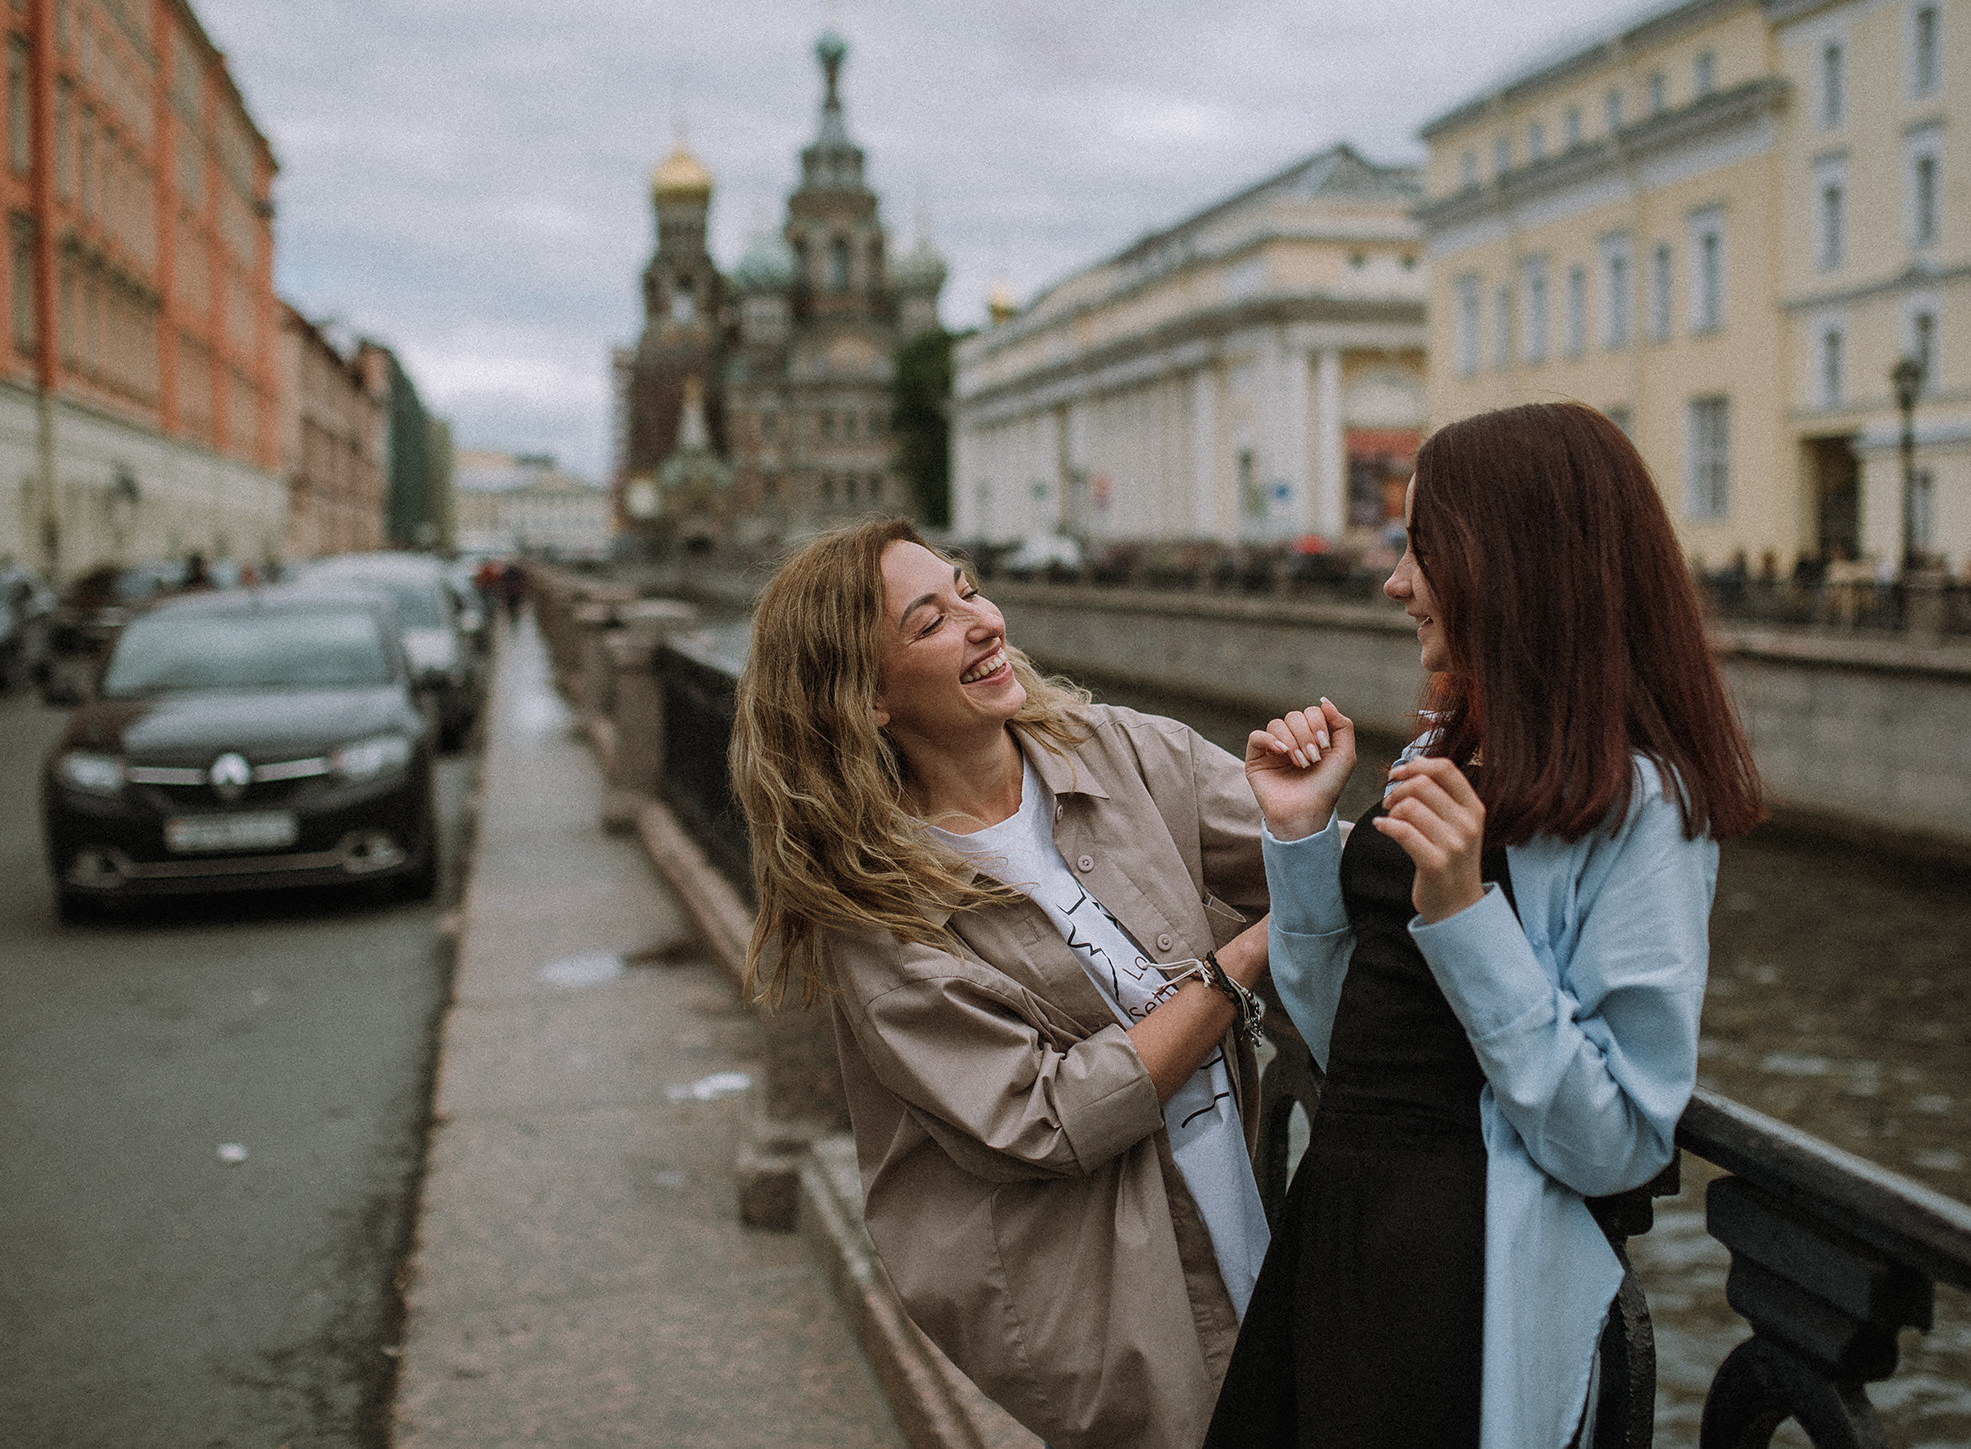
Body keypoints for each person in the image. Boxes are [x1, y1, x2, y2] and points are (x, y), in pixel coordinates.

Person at [1207, 403, 1766, 1449]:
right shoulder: (1442, 758)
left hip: (1467, 1289)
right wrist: (1299, 840)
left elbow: (1617, 1136)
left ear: (1510, 564)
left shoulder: (1644, 804)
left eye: (1423, 548)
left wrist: (1466, 914)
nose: (1396, 581)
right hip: (1341, 1233)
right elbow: (1348, 1039)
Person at [730, 519, 1275, 1449]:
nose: (984, 621)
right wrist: (1237, 968)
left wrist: (1340, 819)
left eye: (970, 589)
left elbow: (1314, 861)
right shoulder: (879, 909)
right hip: (1112, 1295)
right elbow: (1042, 1118)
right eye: (931, 620)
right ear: (866, 698)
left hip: (1252, 1205)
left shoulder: (1119, 752)